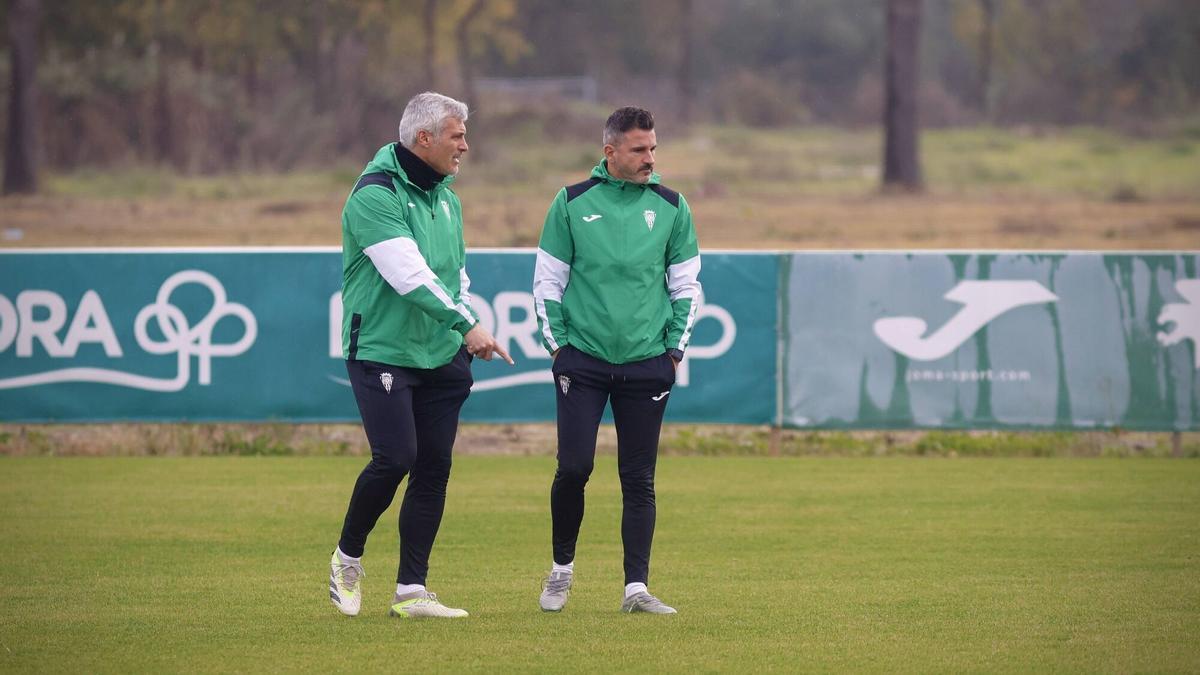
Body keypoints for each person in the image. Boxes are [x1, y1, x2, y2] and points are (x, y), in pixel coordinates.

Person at [328, 92, 513, 620]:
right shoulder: (374, 195)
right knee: (396, 458)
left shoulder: (448, 197)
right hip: (383, 349)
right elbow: (409, 275)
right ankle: (347, 557)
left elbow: (455, 275)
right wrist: (467, 325)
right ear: (424, 138)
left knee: (434, 467)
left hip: (441, 354)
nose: (465, 146)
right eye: (457, 136)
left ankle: (412, 591)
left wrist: (464, 320)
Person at [532, 106, 703, 614]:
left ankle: (636, 589)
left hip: (648, 363)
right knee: (575, 466)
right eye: (639, 149)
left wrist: (673, 351)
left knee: (639, 477)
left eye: (653, 148)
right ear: (610, 152)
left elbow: (687, 287)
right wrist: (559, 350)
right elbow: (547, 284)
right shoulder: (569, 203)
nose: (650, 158)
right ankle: (561, 571)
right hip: (581, 362)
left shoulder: (673, 207)